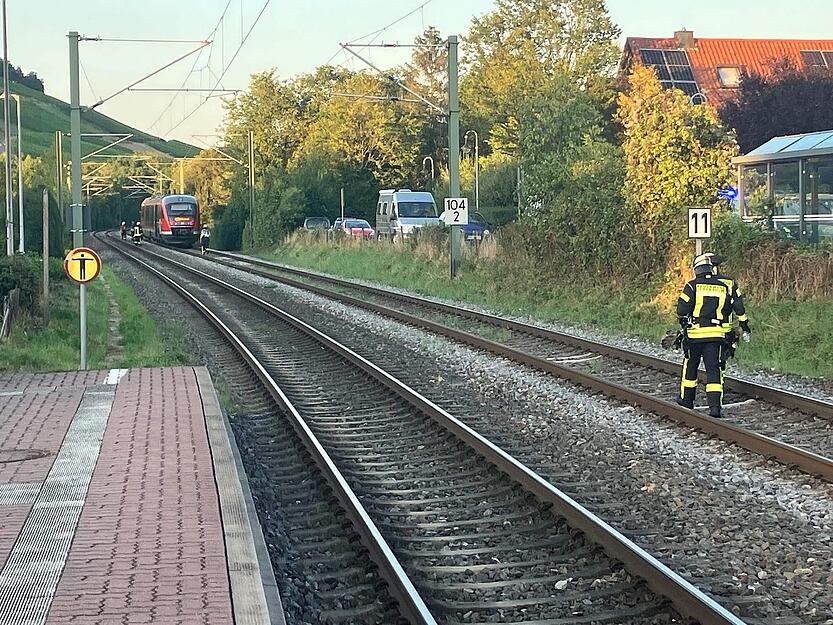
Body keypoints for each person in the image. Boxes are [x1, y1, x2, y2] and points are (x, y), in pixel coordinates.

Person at [675, 253, 750, 418]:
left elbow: (681, 310)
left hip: (695, 335)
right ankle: (715, 407)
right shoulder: (723, 286)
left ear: (696, 269)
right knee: (713, 370)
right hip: (716, 335)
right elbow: (731, 308)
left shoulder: (692, 286)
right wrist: (743, 326)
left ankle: (687, 400)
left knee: (691, 366)